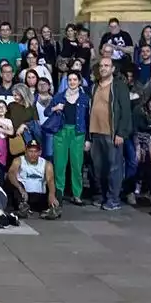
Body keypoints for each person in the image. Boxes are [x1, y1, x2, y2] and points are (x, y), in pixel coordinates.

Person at [86, 57, 132, 211]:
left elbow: (125, 111)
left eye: (107, 65)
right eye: (101, 66)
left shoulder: (119, 86)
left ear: (113, 69)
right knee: (99, 168)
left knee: (114, 167)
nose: (103, 68)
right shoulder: (94, 87)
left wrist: (121, 133)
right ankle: (103, 196)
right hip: (95, 132)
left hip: (111, 133)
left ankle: (113, 199)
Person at [46, 71, 89, 206]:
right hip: (61, 132)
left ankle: (77, 195)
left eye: (75, 79)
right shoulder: (59, 96)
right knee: (59, 165)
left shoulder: (84, 98)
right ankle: (59, 193)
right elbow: (47, 112)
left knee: (77, 165)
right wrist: (55, 107)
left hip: (78, 133)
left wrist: (88, 139)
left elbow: (88, 119)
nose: (72, 82)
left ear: (79, 81)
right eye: (70, 79)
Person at [7, 139, 59, 219]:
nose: (33, 154)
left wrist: (51, 194)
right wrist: (20, 188)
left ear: (40, 152)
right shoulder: (18, 160)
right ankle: (23, 209)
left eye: (35, 152)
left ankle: (52, 209)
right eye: (30, 151)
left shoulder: (47, 164)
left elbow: (50, 180)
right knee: (12, 185)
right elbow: (11, 174)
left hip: (39, 195)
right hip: (24, 195)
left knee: (57, 191)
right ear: (26, 151)